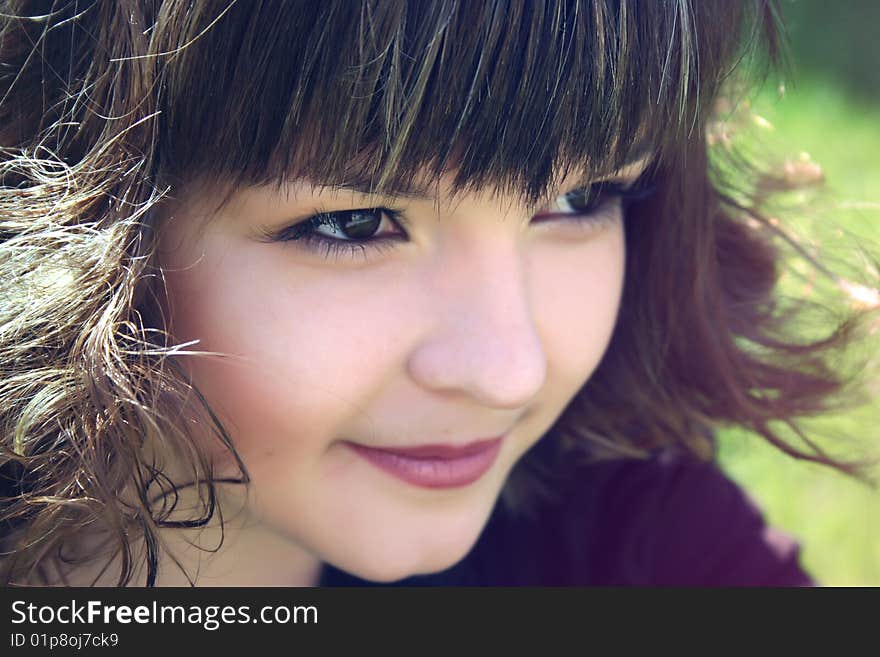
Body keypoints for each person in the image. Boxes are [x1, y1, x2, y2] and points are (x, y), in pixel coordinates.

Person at [0, 0, 875, 587]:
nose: (509, 371)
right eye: (355, 224)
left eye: (580, 200)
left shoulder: (639, 546)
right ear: (63, 201)